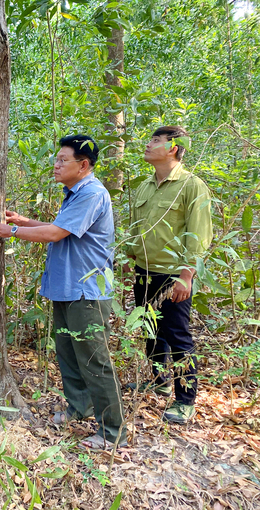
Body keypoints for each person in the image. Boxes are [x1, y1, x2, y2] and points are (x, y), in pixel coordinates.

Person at [0, 135, 126, 450]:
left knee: (94, 360)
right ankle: (80, 408)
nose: (57, 164)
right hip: (67, 290)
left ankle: (112, 431)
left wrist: (11, 230)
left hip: (87, 294)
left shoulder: (92, 193)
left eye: (63, 160)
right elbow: (63, 229)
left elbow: (54, 233)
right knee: (68, 355)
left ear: (84, 165)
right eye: (57, 158)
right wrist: (23, 221)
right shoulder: (75, 194)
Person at [126, 126, 212, 424]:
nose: (148, 145)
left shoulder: (191, 185)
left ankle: (185, 398)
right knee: (149, 329)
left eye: (155, 141)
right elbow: (136, 226)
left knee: (177, 335)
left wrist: (186, 276)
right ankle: (159, 381)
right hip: (144, 271)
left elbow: (198, 235)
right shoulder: (146, 186)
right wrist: (131, 257)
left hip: (173, 274)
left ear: (173, 148)